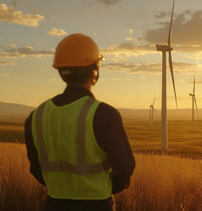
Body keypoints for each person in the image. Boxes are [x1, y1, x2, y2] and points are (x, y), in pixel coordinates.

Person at [24, 33, 135, 211]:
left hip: (54, 204)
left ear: (60, 71)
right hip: (97, 205)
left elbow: (36, 169)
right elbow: (125, 167)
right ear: (94, 71)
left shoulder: (36, 116)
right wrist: (104, 189)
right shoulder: (104, 114)